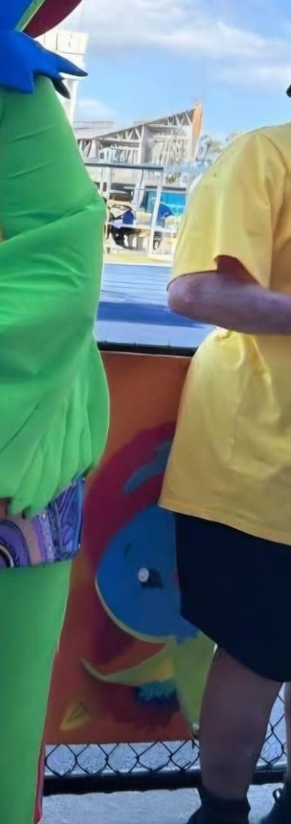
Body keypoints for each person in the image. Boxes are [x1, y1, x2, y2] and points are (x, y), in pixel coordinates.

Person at [164, 119, 291, 824]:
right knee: (256, 650)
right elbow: (197, 292)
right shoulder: (265, 153)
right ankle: (221, 811)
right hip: (260, 458)